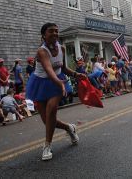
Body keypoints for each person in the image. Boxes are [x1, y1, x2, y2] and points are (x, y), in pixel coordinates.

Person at [25, 23, 86, 161]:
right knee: (47, 121)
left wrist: (76, 74)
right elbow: (48, 69)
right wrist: (57, 81)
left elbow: (62, 68)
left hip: (58, 82)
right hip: (40, 83)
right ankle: (69, 127)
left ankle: (47, 145)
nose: (55, 33)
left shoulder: (62, 48)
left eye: (57, 31)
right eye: (51, 31)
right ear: (44, 35)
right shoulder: (42, 51)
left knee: (51, 109)